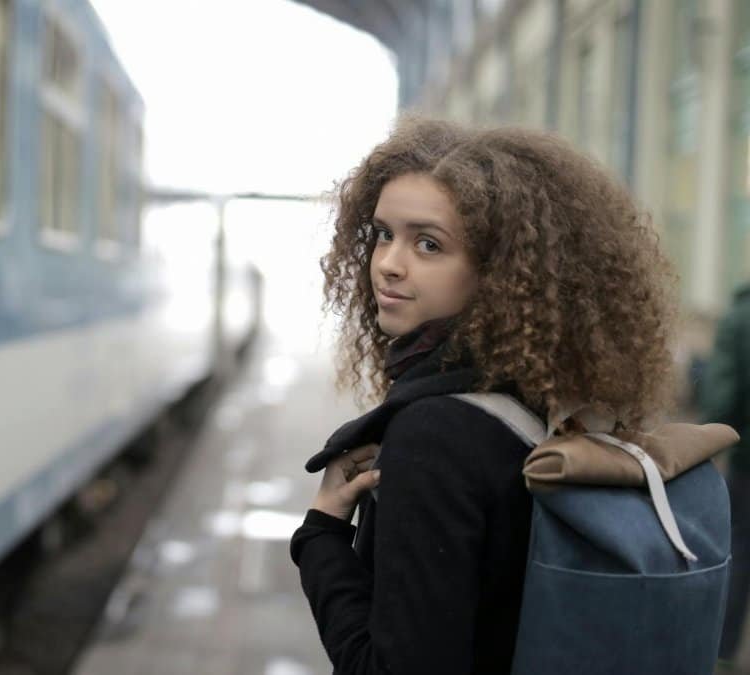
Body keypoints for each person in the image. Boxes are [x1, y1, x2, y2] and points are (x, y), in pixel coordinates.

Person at [290, 116, 677, 674]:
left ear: (495, 273)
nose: (388, 265)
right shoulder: (525, 402)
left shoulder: (436, 436)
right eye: (382, 234)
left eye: (428, 244)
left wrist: (321, 536)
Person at [703, 282, 750, 665]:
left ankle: (724, 651)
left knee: (740, 551)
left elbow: (722, 398)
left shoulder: (739, 318)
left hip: (747, 463)